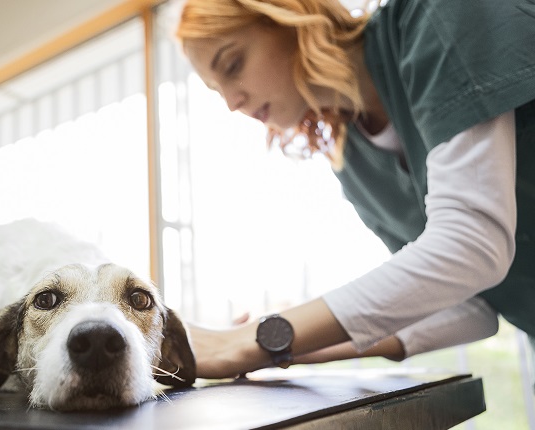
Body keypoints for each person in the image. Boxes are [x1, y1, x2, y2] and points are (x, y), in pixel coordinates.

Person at [175, 0, 535, 379]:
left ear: (292, 16)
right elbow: (470, 308)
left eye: (233, 65)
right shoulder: (355, 165)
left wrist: (248, 341)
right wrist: (283, 343)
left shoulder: (438, 13)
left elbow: (472, 248)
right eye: (217, 91)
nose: (233, 103)